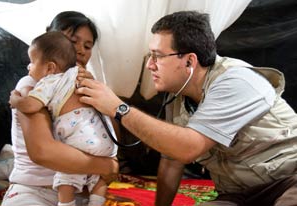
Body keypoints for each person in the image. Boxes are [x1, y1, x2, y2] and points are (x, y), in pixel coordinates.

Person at [75, 10, 297, 206]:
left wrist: (119, 108)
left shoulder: (236, 81)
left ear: (190, 62)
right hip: (239, 195)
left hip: (289, 180)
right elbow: (172, 161)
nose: (150, 65)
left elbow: (188, 147)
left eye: (157, 56)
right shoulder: (179, 97)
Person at [2, 11, 119, 206]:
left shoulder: (84, 86)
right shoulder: (32, 84)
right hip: (34, 191)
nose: (80, 51)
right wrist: (108, 165)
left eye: (87, 46)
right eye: (72, 41)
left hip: (79, 193)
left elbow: (109, 139)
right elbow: (42, 152)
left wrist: (98, 97)